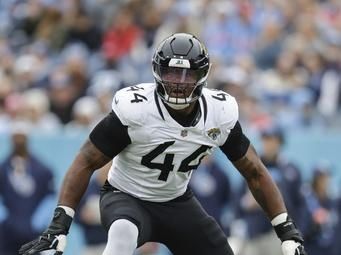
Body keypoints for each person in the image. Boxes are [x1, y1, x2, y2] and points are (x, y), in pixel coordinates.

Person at [18, 33, 307, 255]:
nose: (179, 82)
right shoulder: (136, 108)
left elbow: (254, 171)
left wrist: (287, 230)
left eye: (187, 74)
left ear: (201, 76)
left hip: (176, 201)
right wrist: (59, 226)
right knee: (121, 233)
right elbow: (86, 161)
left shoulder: (219, 113)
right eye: (171, 73)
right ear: (157, 72)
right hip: (126, 196)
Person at [236, 125, 306, 255]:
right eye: (265, 140)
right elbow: (238, 201)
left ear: (280, 142)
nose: (268, 144)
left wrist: (297, 231)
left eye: (272, 140)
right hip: (254, 232)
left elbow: (300, 204)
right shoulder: (251, 165)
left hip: (279, 234)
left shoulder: (291, 170)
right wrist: (247, 203)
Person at [0, 121, 56, 255]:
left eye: (21, 138)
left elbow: (49, 196)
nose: (18, 142)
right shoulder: (3, 169)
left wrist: (38, 221)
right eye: (15, 138)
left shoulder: (42, 170)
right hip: (7, 233)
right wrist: (5, 218)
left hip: (32, 233)